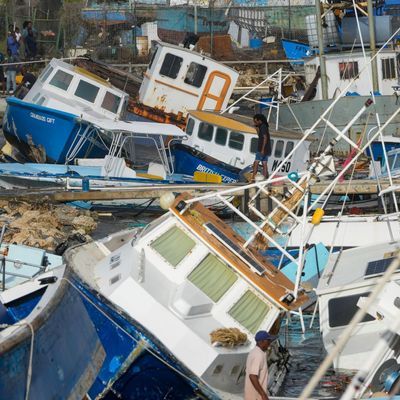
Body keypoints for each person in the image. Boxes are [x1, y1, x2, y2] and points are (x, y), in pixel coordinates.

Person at [245, 330, 276, 400]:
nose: (270, 343)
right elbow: (252, 376)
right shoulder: (258, 355)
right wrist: (263, 394)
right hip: (256, 397)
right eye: (268, 341)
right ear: (261, 342)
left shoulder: (254, 352)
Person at [251, 113, 271, 181]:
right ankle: (264, 178)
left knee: (256, 163)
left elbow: (265, 138)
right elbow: (260, 136)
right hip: (267, 149)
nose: (254, 122)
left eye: (255, 121)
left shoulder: (263, 127)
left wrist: (262, 149)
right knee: (264, 163)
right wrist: (256, 127)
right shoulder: (263, 126)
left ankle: (253, 177)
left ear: (260, 120)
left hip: (262, 149)